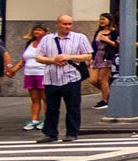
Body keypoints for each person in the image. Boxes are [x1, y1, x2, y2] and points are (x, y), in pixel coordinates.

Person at [35, 14, 94, 143]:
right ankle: (50, 133)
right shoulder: (47, 39)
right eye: (64, 24)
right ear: (57, 24)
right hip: (51, 77)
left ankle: (72, 132)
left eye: (69, 24)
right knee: (51, 108)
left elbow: (88, 56)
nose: (67, 26)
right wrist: (52, 60)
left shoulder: (79, 38)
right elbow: (38, 57)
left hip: (71, 77)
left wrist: (69, 57)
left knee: (73, 106)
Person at [20, 23, 48, 133]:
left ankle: (47, 120)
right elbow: (23, 59)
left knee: (45, 98)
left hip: (42, 73)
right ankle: (34, 120)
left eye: (40, 30)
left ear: (45, 32)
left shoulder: (46, 44)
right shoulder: (29, 43)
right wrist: (13, 69)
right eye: (36, 30)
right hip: (29, 73)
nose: (37, 32)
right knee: (34, 99)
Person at [88, 13, 119, 109]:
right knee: (93, 80)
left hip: (107, 56)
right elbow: (94, 45)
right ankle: (110, 94)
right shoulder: (99, 32)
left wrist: (107, 40)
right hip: (97, 56)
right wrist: (91, 57)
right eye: (100, 19)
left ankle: (104, 100)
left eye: (103, 19)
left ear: (109, 20)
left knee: (103, 80)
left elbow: (117, 45)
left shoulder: (114, 32)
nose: (101, 21)